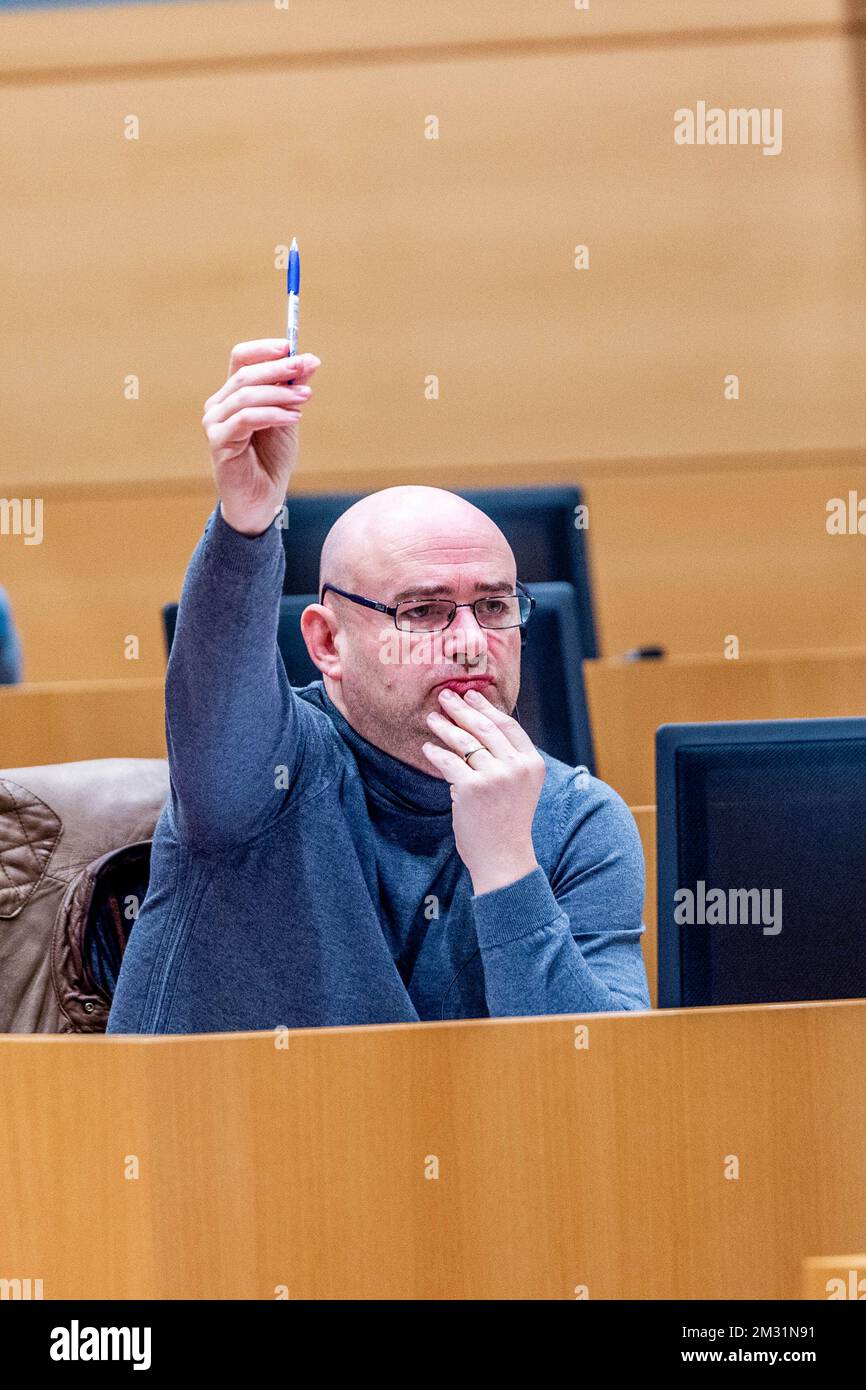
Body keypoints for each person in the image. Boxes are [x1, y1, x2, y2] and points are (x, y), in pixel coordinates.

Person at [107, 338, 650, 1034]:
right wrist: (246, 518)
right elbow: (213, 703)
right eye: (421, 611)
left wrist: (509, 866)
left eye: (493, 606)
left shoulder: (576, 820)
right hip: (228, 1138)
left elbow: (597, 1089)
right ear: (327, 642)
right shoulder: (260, 776)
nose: (468, 641)